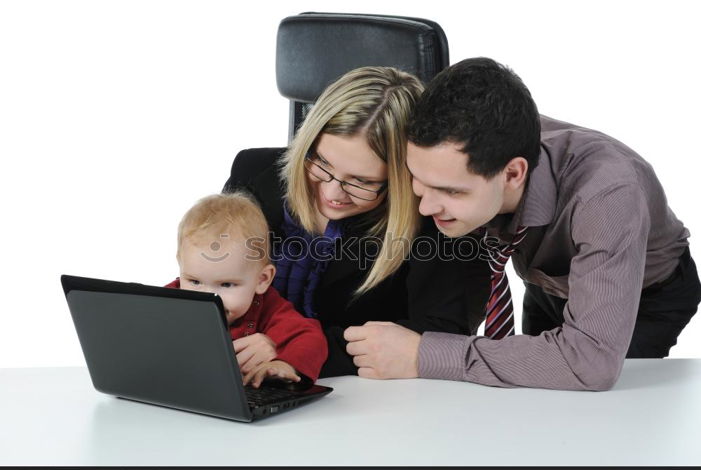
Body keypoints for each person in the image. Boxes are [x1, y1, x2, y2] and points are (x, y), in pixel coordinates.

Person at [344, 57, 701, 390]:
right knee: (530, 396)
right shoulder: (469, 142)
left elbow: (589, 363)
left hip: (642, 297)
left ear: (513, 173)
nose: (426, 207)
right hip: (547, 284)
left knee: (591, 412)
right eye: (418, 179)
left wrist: (426, 354)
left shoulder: (608, 195)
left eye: (450, 190)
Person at [223, 66, 492, 377]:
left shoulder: (437, 219)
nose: (333, 192)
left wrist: (289, 348)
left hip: (364, 400)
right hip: (240, 374)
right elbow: (210, 281)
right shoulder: (252, 172)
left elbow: (442, 337)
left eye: (362, 181)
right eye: (322, 162)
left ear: (400, 177)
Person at [164, 192, 328, 387]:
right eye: (194, 281)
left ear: (262, 280)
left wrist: (283, 364)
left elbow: (310, 339)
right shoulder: (167, 302)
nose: (206, 298)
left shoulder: (269, 309)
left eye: (226, 284)